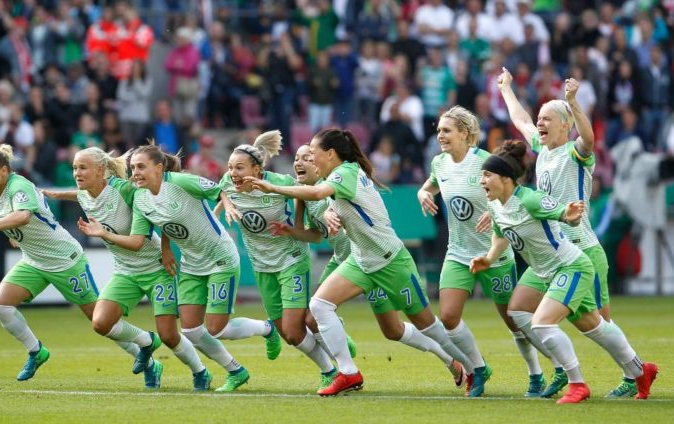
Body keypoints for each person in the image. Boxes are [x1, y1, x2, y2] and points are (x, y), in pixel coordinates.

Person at [242, 129, 474, 397]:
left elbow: (325, 194)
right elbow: (319, 224)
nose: (302, 161)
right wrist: (295, 228)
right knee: (318, 308)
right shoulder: (314, 189)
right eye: (297, 157)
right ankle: (346, 371)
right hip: (354, 260)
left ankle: (464, 364)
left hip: (385, 260)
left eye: (309, 155)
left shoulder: (336, 179)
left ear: (328, 156)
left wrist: (273, 187)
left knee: (398, 329)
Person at [471, 140, 658, 404]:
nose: (482, 181)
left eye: (486, 175)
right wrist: (489, 258)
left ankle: (577, 384)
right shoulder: (495, 206)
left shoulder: (530, 199)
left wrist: (568, 214)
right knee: (597, 327)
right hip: (550, 273)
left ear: (505, 178)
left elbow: (560, 211)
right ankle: (641, 371)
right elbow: (501, 233)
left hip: (571, 267)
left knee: (542, 322)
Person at [498, 66, 639, 398]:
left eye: (547, 118)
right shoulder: (543, 150)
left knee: (600, 322)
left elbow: (589, 140)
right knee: (518, 309)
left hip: (582, 247)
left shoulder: (575, 153)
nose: (540, 123)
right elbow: (521, 120)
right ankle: (562, 369)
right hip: (551, 251)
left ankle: (633, 374)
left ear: (565, 125)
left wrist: (573, 101)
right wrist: (506, 88)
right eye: (541, 118)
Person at [0, 145, 155, 383]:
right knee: (0, 306)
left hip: (65, 260)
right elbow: (11, 220)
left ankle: (147, 355)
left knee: (100, 321)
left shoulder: (19, 185)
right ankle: (36, 351)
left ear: (4, 170)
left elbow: (23, 215)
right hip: (34, 261)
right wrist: (13, 236)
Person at [418, 105, 558, 397]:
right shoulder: (439, 163)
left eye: (446, 131)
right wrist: (423, 194)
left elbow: (511, 193)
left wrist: (496, 211)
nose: (440, 136)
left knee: (512, 319)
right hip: (458, 253)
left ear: (465, 135)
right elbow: (430, 186)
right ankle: (479, 368)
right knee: (448, 316)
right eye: (439, 131)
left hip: (495, 254)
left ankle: (536, 373)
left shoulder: (486, 162)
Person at [42, 147, 208, 390]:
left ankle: (200, 371)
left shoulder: (126, 190)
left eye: (83, 168)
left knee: (170, 336)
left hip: (156, 269)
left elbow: (159, 211)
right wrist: (55, 196)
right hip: (126, 271)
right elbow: (78, 195)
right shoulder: (84, 194)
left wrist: (165, 247)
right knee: (100, 323)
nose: (77, 173)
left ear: (100, 171)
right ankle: (147, 345)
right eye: (75, 168)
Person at [114, 142, 269, 392]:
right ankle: (235, 370)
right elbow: (152, 229)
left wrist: (228, 206)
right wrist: (165, 249)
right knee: (191, 330)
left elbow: (218, 190)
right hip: (191, 265)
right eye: (133, 168)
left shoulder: (180, 182)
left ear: (159, 167)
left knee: (216, 329)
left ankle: (266, 328)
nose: (135, 173)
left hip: (220, 258)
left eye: (141, 167)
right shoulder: (141, 199)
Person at [218, 131, 339, 390]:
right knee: (288, 333)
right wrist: (227, 205)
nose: (233, 173)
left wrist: (299, 223)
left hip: (290, 258)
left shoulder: (279, 182)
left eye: (239, 168)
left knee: (295, 330)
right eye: (230, 167)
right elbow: (220, 190)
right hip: (262, 265)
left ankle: (334, 364)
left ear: (258, 170)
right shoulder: (229, 182)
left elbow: (304, 192)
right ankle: (326, 362)